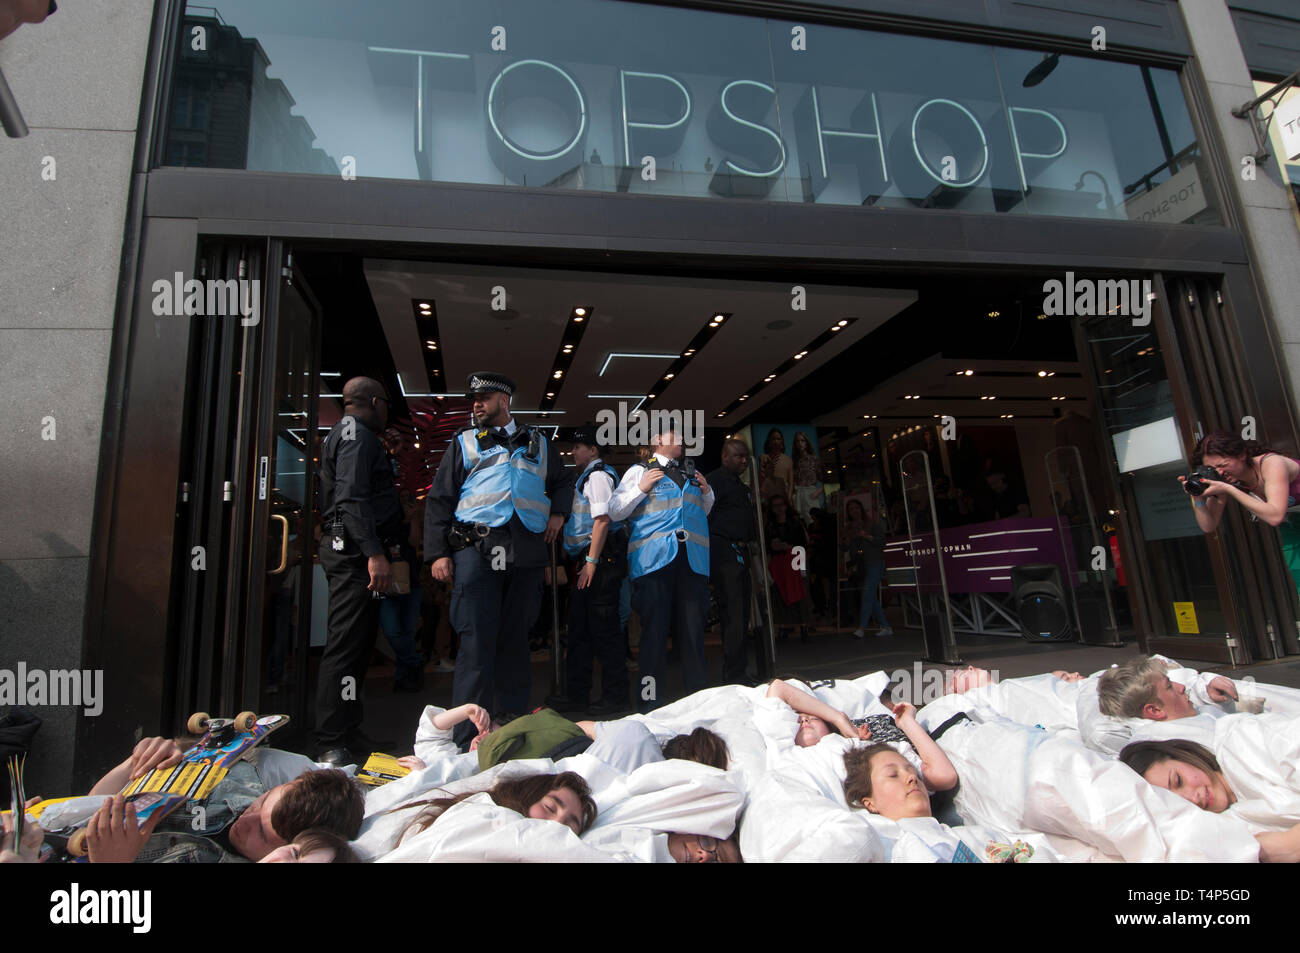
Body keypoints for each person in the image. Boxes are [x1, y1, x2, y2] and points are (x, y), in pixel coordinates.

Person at [425, 372, 575, 747]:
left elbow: (561, 481)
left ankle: (512, 723)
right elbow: (440, 499)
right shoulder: (463, 442)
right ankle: (466, 734)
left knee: (516, 638)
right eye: (473, 399)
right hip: (477, 549)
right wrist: (438, 553)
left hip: (524, 549)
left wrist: (558, 513)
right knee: (476, 640)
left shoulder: (540, 442)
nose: (476, 404)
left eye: (484, 398)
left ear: (505, 401)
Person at [80, 736, 364, 862]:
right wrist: (135, 765)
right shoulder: (231, 777)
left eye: (262, 834)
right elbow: (82, 811)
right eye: (259, 802)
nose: (244, 819)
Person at [316, 376, 405, 764]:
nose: (388, 410)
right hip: (354, 553)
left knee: (357, 648)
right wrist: (374, 553)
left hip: (353, 550)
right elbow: (351, 498)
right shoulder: (357, 436)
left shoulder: (349, 433)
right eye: (386, 402)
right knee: (345, 646)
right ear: (373, 400)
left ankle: (349, 733)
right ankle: (331, 740)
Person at [608, 426, 713, 713]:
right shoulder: (638, 471)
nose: (680, 441)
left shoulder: (693, 473)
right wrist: (641, 489)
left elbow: (703, 510)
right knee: (653, 634)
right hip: (653, 562)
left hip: (691, 561)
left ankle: (700, 699)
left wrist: (706, 492)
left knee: (692, 632)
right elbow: (615, 510)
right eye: (674, 437)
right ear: (657, 442)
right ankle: (649, 701)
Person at [1118, 738, 1300, 863]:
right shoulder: (1226, 827)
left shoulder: (1246, 744)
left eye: (1178, 781)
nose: (1192, 798)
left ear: (1182, 754)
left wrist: (1288, 843)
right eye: (1177, 803)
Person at [550, 427, 628, 715]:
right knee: (583, 629)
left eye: (579, 446)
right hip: (593, 558)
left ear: (594, 450)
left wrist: (592, 561)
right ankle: (578, 697)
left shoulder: (597, 476)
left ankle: (614, 698)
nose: (574, 451)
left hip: (599, 559)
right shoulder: (588, 476)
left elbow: (603, 520)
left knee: (602, 629)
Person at [1183, 431, 1300, 600]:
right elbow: (1208, 525)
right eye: (1212, 469)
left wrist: (1228, 489)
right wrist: (1198, 499)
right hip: (1293, 527)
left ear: (1242, 455)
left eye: (1222, 465)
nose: (1219, 472)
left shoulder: (1271, 463)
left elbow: (1274, 516)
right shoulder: (1225, 481)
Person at [393, 771, 597, 845]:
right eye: (550, 807)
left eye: (571, 824)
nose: (558, 823)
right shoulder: (485, 815)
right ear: (526, 796)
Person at [706, 438, 757, 684]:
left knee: (742, 613)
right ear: (725, 456)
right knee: (734, 614)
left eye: (746, 456)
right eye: (738, 456)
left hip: (741, 551)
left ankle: (739, 669)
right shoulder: (714, 482)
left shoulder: (741, 485)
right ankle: (735, 673)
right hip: (724, 552)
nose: (744, 461)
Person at [765, 495, 812, 641]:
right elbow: (766, 545)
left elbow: (804, 543)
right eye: (775, 506)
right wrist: (773, 546)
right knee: (780, 593)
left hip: (795, 558)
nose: (779, 508)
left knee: (800, 592)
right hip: (778, 561)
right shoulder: (769, 525)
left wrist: (790, 547)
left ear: (786, 506)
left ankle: (804, 626)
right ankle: (784, 626)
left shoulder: (796, 523)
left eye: (781, 505)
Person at [850, 502, 892, 639]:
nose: (854, 511)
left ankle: (862, 628)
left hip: (875, 562)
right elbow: (850, 548)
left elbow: (882, 541)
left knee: (868, 594)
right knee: (871, 596)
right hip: (864, 564)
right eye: (851, 509)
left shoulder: (872, 524)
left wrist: (866, 536)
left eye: (856, 508)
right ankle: (885, 626)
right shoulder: (853, 528)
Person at [791, 431, 825, 524]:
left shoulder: (813, 459)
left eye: (802, 440)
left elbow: (825, 479)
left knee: (813, 521)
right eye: (797, 441)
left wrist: (817, 492)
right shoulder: (794, 461)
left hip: (810, 493)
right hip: (798, 494)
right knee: (800, 522)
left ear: (806, 443)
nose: (800, 443)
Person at [757, 428, 794, 504]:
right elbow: (760, 480)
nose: (776, 441)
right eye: (773, 439)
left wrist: (789, 499)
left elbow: (791, 483)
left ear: (782, 441)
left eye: (778, 439)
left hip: (784, 497)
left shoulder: (788, 460)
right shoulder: (764, 458)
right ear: (769, 442)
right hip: (768, 496)